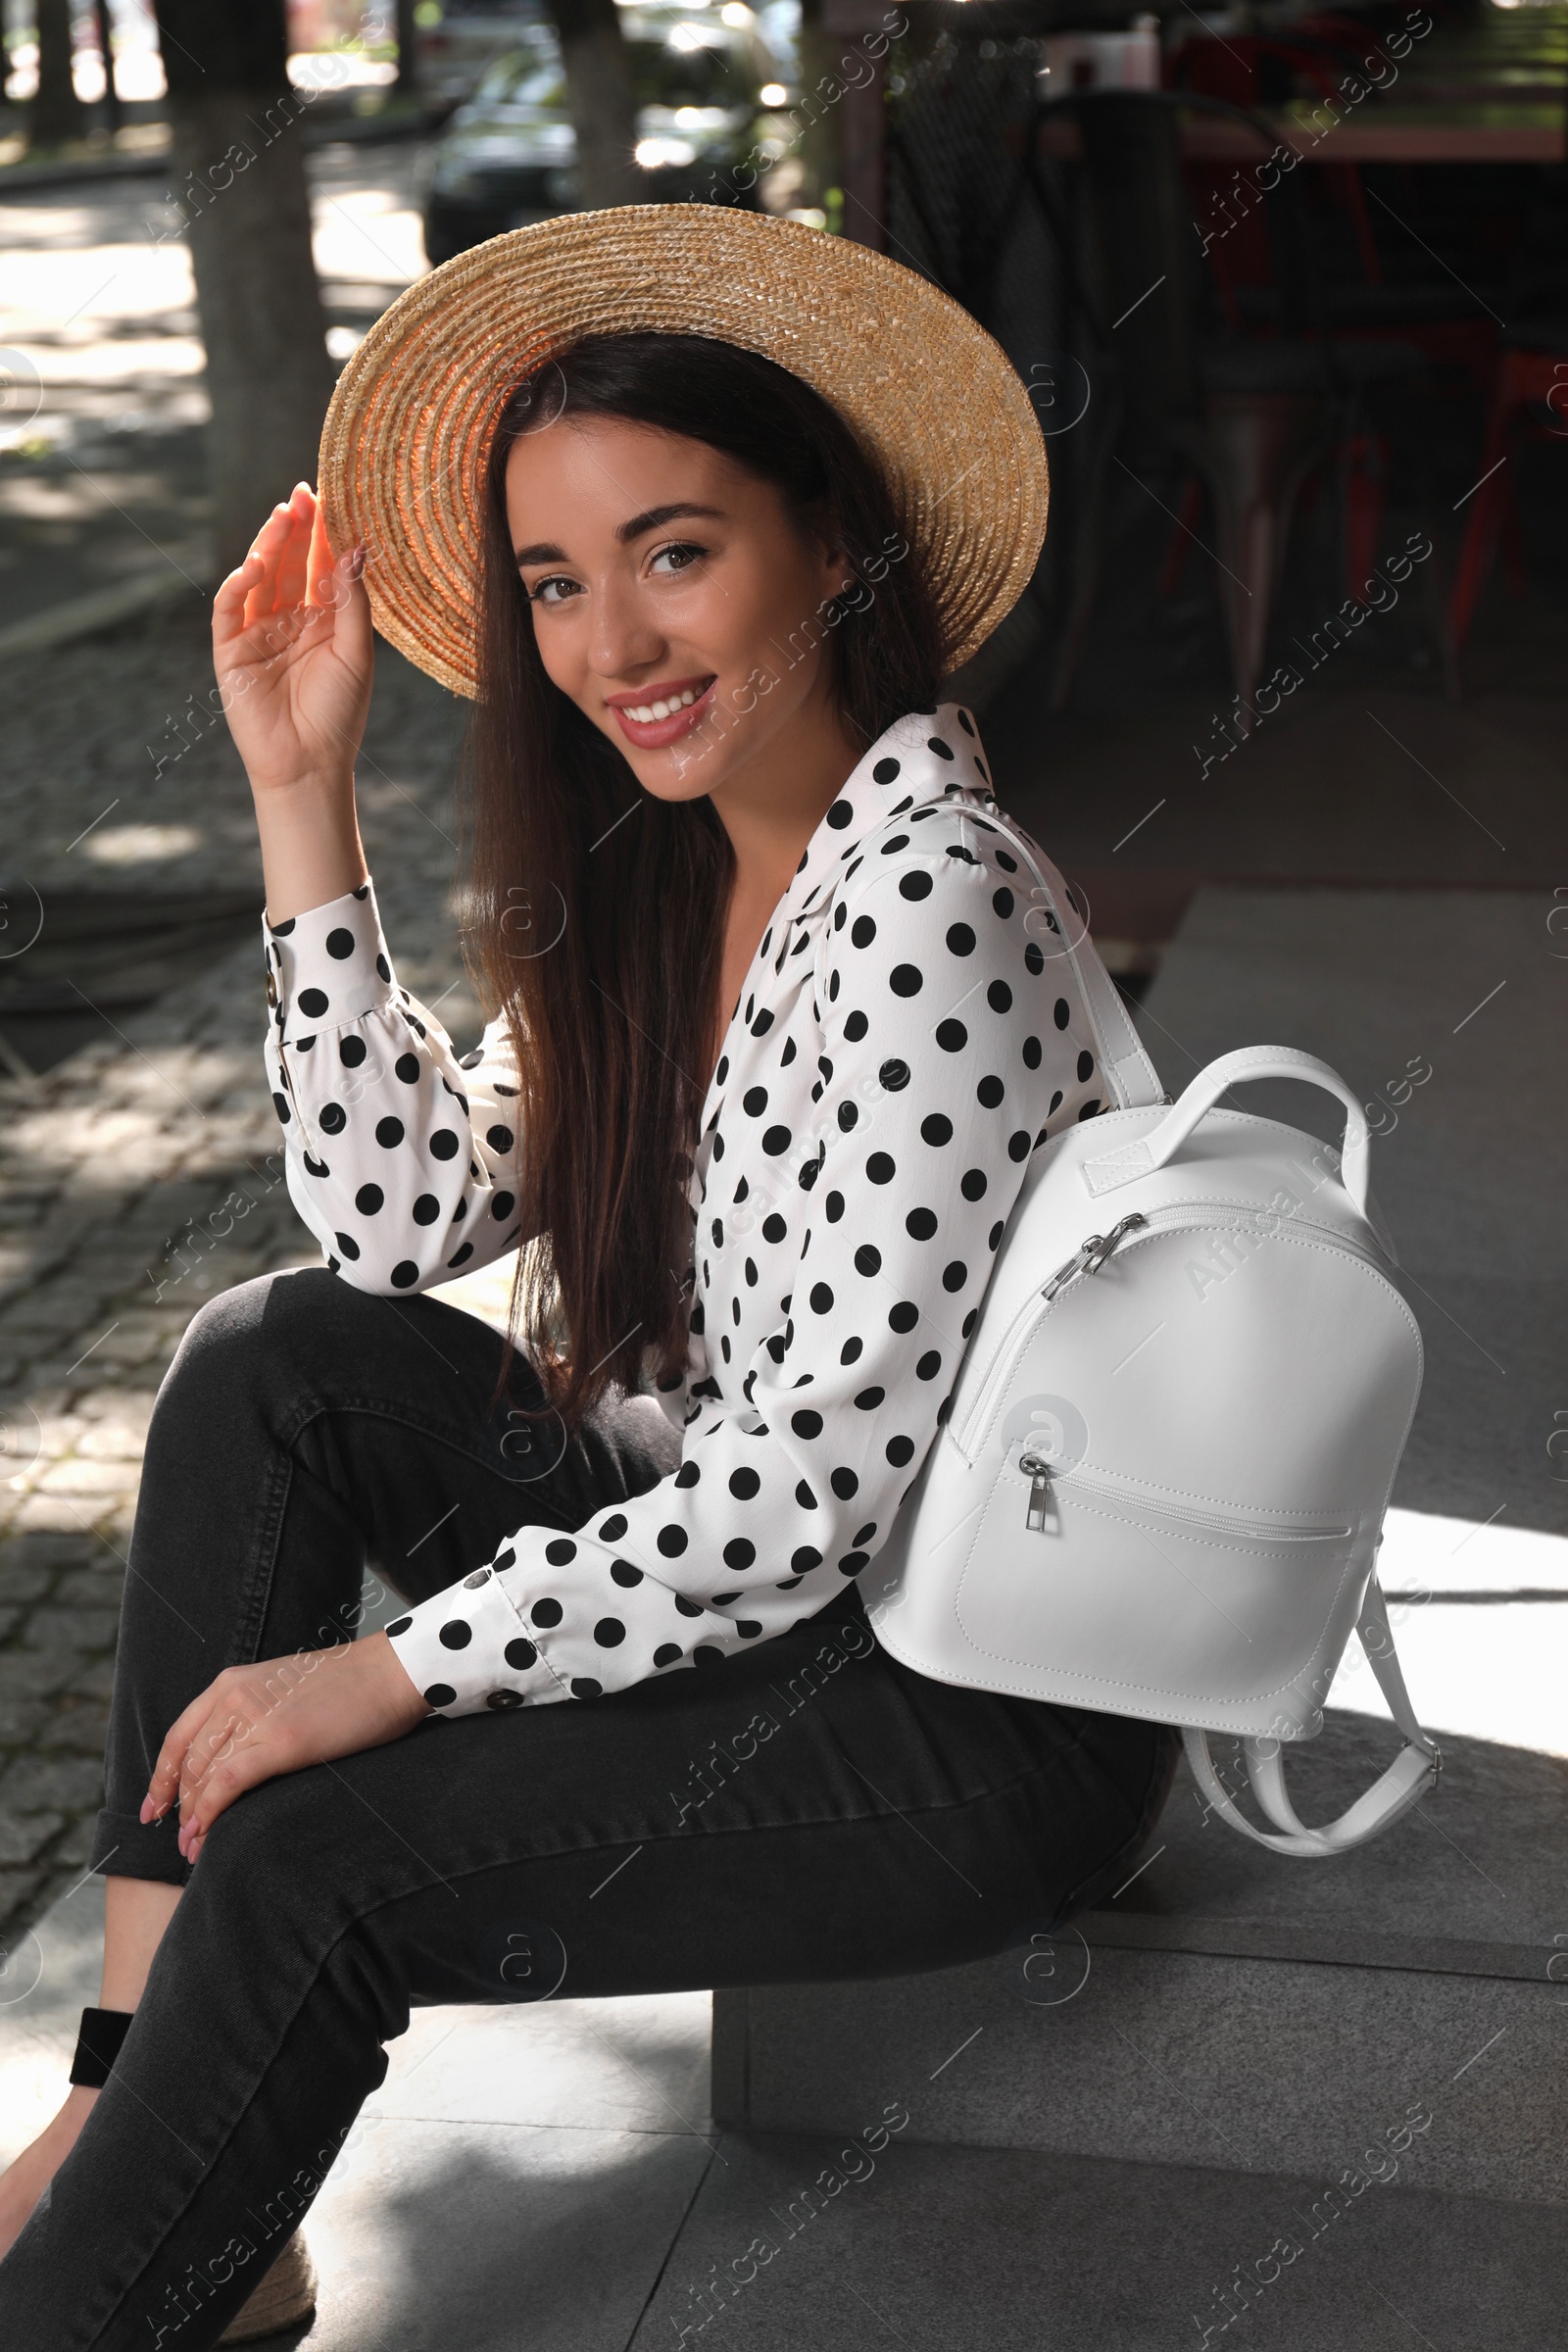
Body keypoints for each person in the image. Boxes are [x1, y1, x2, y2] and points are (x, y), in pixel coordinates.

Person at [0, 206, 1177, 2346]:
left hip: (967, 1712)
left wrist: (392, 1674)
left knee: (315, 1850)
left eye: (671, 551)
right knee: (282, 1358)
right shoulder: (691, 871)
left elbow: (807, 1493)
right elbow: (384, 1230)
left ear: (828, 547)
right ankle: (135, 2131)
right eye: (554, 581)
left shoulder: (924, 904)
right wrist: (299, 789)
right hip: (781, 1609)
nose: (611, 638)